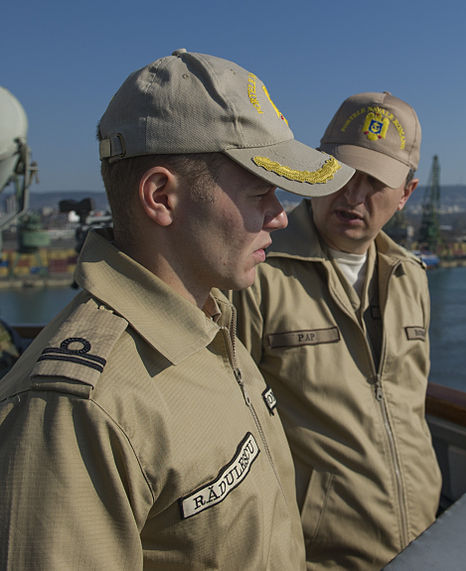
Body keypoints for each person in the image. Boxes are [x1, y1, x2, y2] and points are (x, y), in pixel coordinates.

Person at [0, 49, 353, 569]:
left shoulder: (215, 324)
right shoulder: (75, 411)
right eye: (261, 191)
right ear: (161, 196)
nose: (280, 217)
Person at [231, 91, 442, 569]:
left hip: (424, 542)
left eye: (374, 181)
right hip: (314, 557)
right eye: (342, 173)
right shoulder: (259, 274)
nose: (353, 195)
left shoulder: (411, 277)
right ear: (317, 169)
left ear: (406, 193)